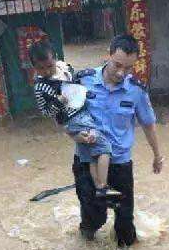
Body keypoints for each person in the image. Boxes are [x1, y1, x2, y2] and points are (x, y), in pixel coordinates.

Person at [71, 34, 164, 247]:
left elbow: (148, 124)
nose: (121, 73)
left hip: (120, 163)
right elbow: (67, 115)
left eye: (128, 68)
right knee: (94, 218)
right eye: (117, 65)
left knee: (125, 225)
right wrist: (76, 135)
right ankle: (84, 249)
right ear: (109, 55)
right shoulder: (83, 80)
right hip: (87, 162)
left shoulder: (136, 91)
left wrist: (157, 156)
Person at [28, 39, 121, 198]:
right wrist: (58, 102)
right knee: (105, 148)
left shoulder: (64, 68)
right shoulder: (40, 86)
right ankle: (103, 187)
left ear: (55, 58)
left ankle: (98, 187)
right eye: (41, 68)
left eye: (50, 66)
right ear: (33, 67)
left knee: (90, 155)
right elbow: (45, 112)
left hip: (81, 116)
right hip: (76, 118)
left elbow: (79, 82)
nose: (47, 71)